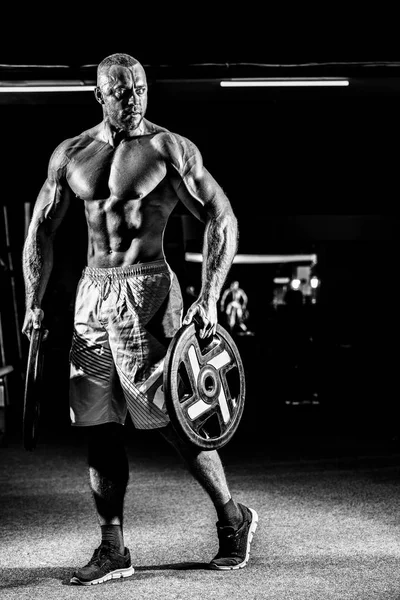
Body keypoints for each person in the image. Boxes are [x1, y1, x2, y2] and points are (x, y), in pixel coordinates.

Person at [22, 53, 258, 586]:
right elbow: (40, 227)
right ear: (99, 95)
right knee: (98, 424)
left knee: (171, 416)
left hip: (147, 290)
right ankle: (113, 548)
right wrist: (35, 300)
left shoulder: (167, 149)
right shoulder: (72, 154)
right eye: (121, 91)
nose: (133, 99)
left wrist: (211, 294)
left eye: (140, 89)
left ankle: (232, 517)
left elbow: (222, 216)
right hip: (92, 295)